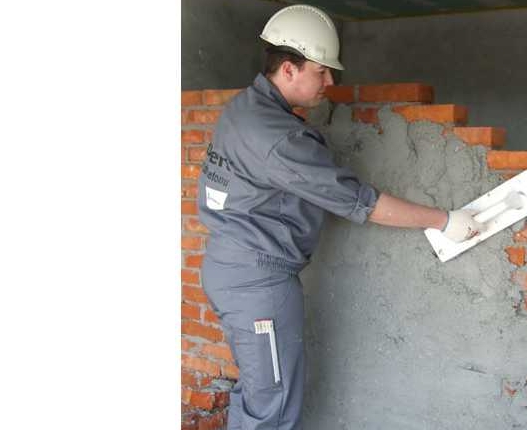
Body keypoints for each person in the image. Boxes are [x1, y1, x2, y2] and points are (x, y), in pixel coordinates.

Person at [197, 4, 483, 429]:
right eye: (322, 71)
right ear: (289, 69)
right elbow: (362, 202)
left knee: (258, 395)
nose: (330, 82)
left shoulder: (244, 108)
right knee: (272, 408)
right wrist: (443, 220)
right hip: (258, 284)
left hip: (230, 266)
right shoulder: (280, 138)